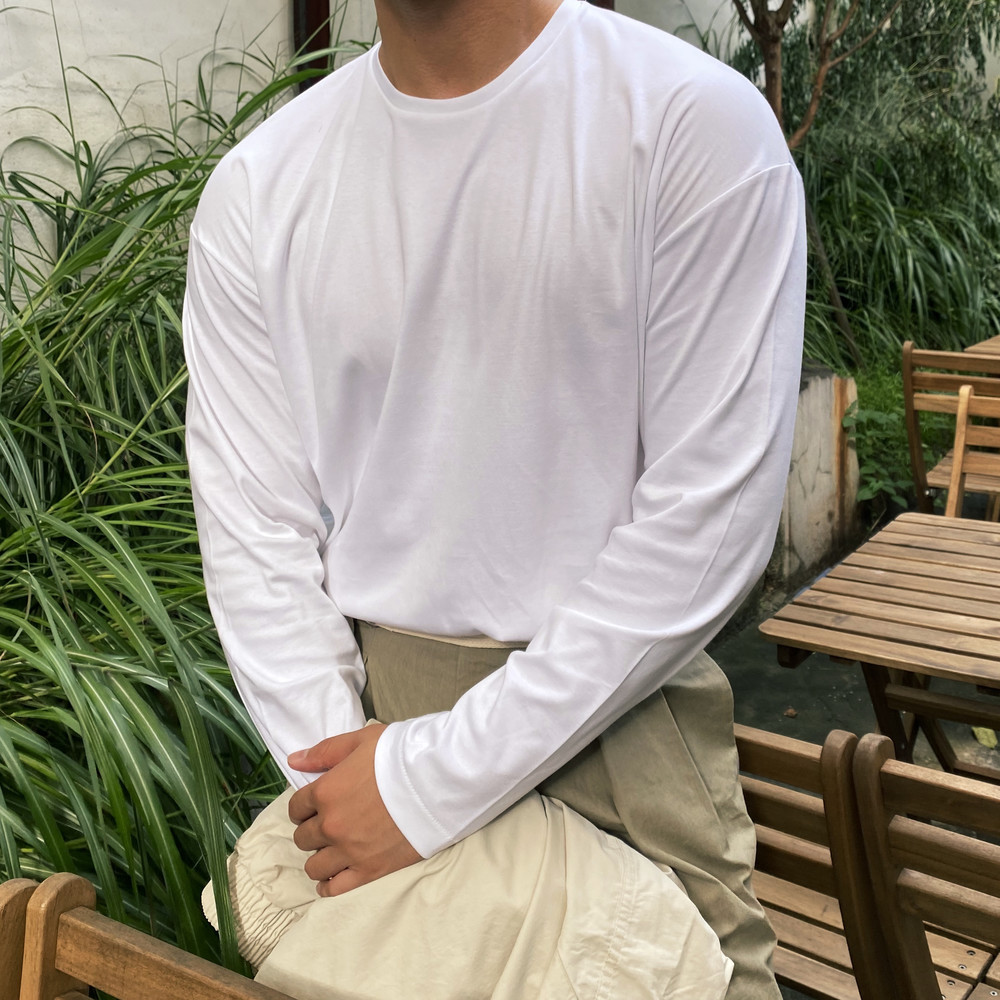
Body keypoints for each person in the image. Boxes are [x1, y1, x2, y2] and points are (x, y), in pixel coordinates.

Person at [182, 0, 806, 994]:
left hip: (616, 728)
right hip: (362, 733)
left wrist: (423, 783)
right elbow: (254, 527)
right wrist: (338, 777)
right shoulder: (260, 188)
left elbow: (706, 520)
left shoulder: (687, 124)